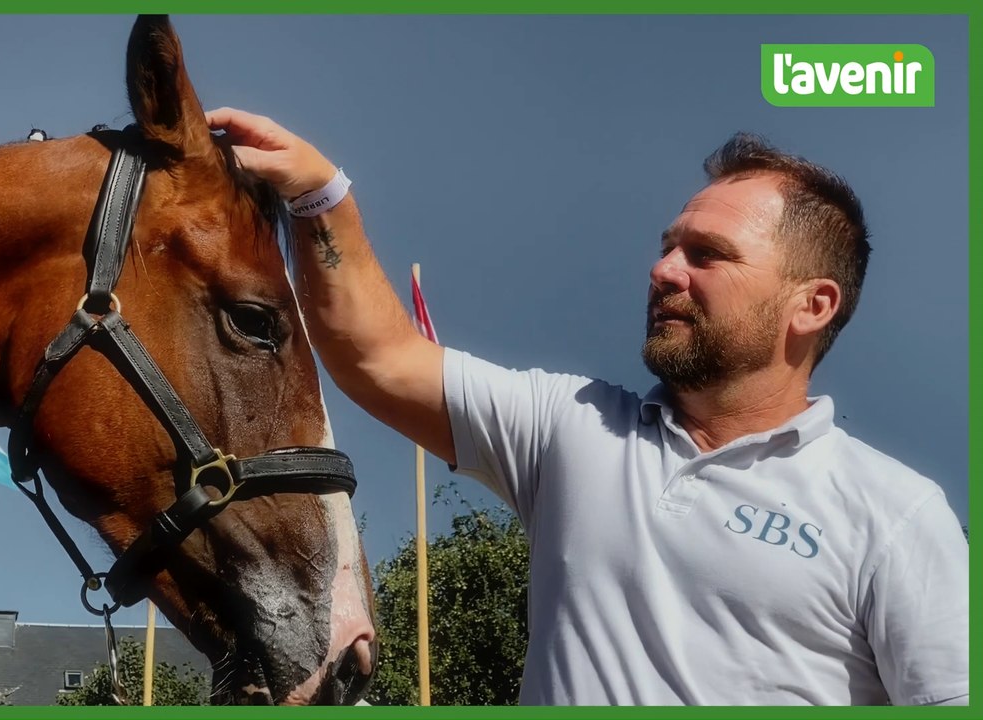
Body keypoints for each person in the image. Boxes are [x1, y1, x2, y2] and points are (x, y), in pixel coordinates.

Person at [204, 107, 970, 707]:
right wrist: (320, 195)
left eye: (708, 254)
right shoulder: (571, 429)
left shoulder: (894, 514)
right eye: (670, 246)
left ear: (812, 305)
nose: (663, 269)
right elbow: (379, 358)